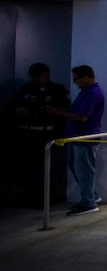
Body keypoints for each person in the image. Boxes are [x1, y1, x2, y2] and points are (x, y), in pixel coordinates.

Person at [6, 63, 70, 207]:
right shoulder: (25, 90)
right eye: (33, 76)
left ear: (46, 75)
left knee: (48, 169)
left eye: (38, 76)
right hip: (28, 135)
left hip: (48, 134)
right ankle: (31, 198)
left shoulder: (57, 91)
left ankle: (48, 199)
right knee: (29, 168)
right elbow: (11, 108)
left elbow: (65, 110)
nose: (35, 79)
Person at [47, 65, 105, 216]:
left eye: (77, 79)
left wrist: (59, 113)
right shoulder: (85, 93)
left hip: (85, 138)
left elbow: (82, 117)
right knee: (77, 169)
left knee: (84, 171)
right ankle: (90, 195)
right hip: (77, 137)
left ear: (86, 77)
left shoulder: (92, 94)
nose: (75, 82)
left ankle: (88, 202)